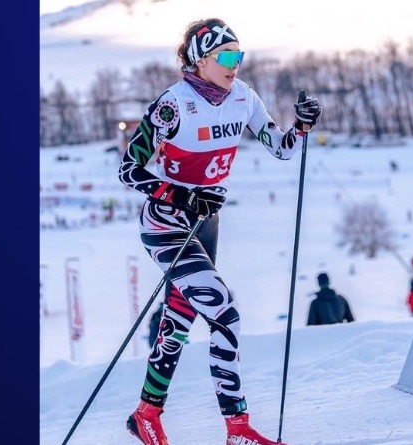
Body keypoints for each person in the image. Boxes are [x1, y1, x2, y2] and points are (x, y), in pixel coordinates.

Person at [117, 17, 322, 445]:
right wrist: (181, 196)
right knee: (225, 314)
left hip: (206, 226)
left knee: (179, 318)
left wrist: (300, 127)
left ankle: (146, 414)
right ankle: (238, 429)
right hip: (167, 224)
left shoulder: (243, 97)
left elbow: (282, 149)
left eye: (239, 56)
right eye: (226, 57)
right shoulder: (174, 104)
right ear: (201, 60)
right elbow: (129, 169)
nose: (236, 65)